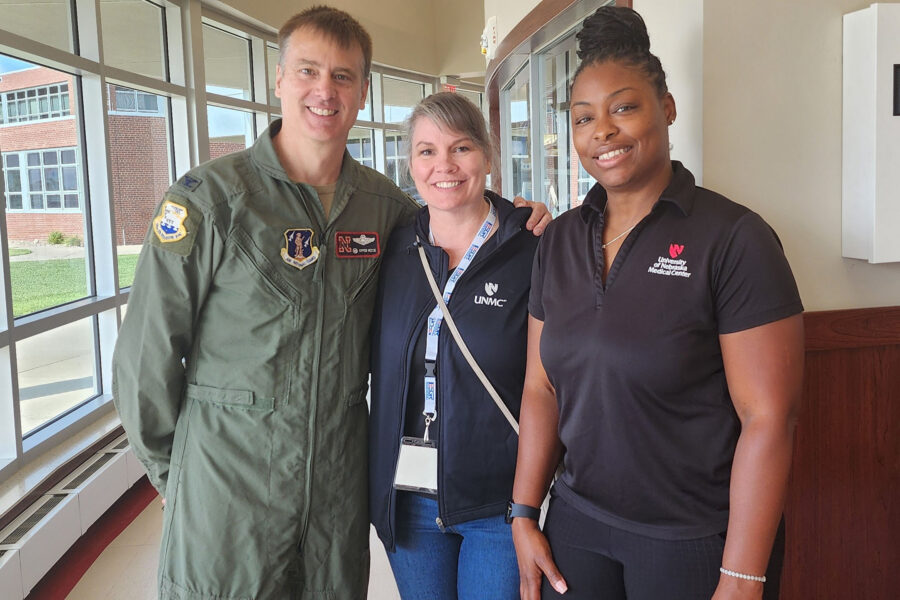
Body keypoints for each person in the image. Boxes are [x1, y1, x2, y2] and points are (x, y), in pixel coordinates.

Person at [111, 6, 550, 600]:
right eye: (308, 71)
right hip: (228, 491)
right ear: (279, 79)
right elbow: (146, 361)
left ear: (363, 92)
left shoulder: (382, 209)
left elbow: (453, 207)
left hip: (335, 497)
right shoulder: (213, 202)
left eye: (343, 76)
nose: (325, 90)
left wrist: (520, 219)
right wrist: (181, 477)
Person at [510, 7, 805, 600]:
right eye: (583, 117)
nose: (603, 132)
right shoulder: (561, 239)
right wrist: (523, 511)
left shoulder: (734, 238)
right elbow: (540, 388)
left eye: (624, 107)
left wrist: (742, 577)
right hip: (577, 528)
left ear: (666, 108)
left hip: (694, 541)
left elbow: (769, 418)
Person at [368, 92, 537, 599]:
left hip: (497, 502)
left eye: (460, 148)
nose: (444, 166)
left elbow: (553, 380)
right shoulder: (391, 249)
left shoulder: (531, 248)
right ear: (410, 162)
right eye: (426, 151)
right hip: (408, 499)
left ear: (486, 155)